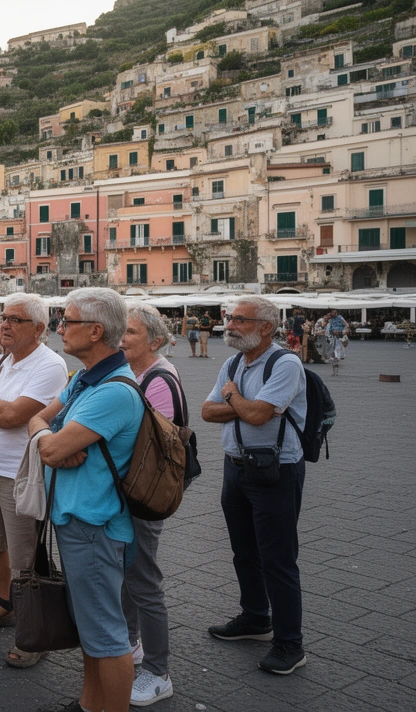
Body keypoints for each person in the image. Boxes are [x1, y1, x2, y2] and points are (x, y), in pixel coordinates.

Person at [27, 288, 143, 712]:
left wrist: (50, 442)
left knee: (107, 634)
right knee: (91, 628)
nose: (60, 328)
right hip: (78, 520)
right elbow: (38, 421)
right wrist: (48, 437)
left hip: (95, 525)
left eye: (67, 321)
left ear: (95, 331)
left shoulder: (113, 391)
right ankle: (89, 703)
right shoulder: (83, 379)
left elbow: (53, 450)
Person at [0, 293, 68, 668]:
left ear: (38, 328)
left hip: (20, 474)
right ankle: (7, 604)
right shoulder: (2, 360)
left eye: (14, 320)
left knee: (25, 557)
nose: (3, 324)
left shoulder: (50, 365)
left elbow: (16, 416)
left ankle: (35, 632)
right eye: (3, 317)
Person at [202, 296, 310, 676]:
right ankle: (255, 618)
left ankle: (290, 644)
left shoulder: (286, 364)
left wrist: (234, 396)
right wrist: (244, 404)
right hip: (236, 468)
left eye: (240, 320)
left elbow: (259, 415)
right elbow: (206, 411)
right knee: (244, 552)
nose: (229, 325)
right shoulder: (233, 362)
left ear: (266, 327)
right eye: (230, 318)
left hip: (275, 472)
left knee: (278, 559)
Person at [120, 305, 187, 705]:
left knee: (144, 580)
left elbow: (142, 442)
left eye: (129, 332)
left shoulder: (159, 379)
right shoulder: (136, 373)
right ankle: (132, 644)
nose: (121, 337)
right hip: (130, 490)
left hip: (145, 494)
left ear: (155, 341)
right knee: (129, 573)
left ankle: (158, 672)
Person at [325, 310, 347, 375]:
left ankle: (337, 361)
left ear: (337, 313)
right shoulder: (331, 320)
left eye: (334, 313)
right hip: (333, 335)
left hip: (339, 335)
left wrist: (344, 331)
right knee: (334, 349)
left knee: (337, 349)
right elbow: (330, 327)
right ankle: (335, 368)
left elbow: (346, 325)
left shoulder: (340, 318)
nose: (333, 314)